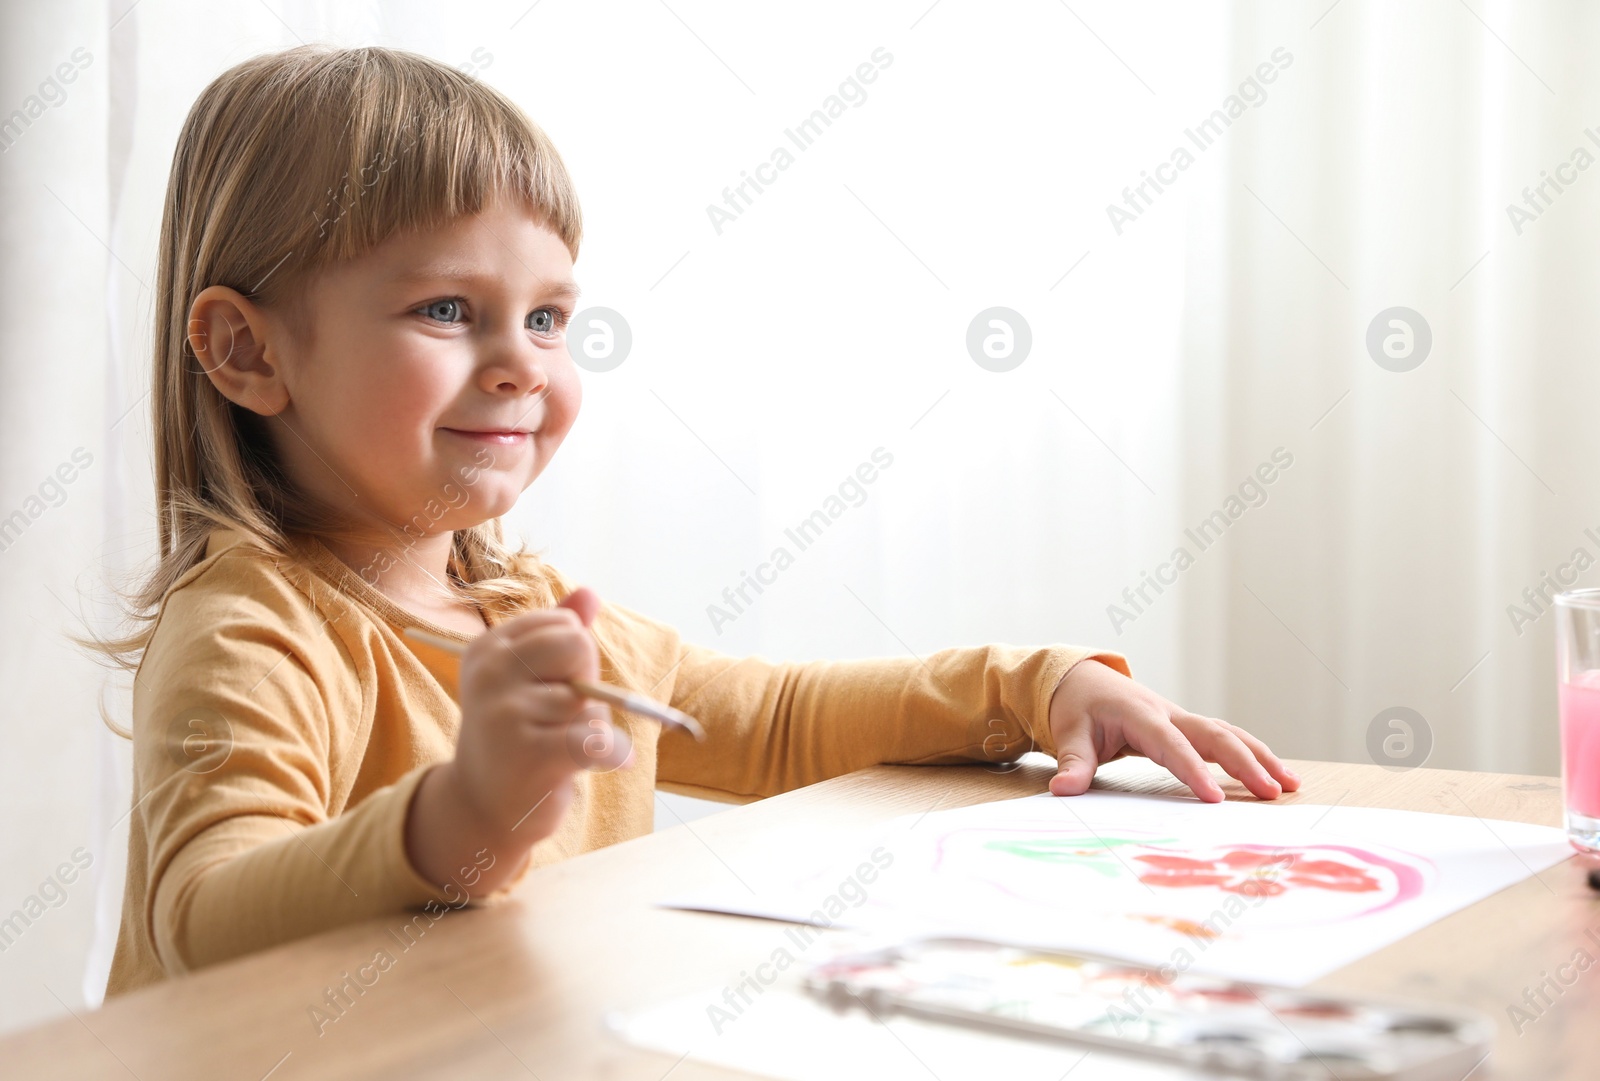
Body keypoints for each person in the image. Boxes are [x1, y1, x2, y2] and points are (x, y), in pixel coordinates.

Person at [97, 45, 1299, 996]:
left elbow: (768, 718)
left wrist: (1039, 688)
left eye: (551, 317)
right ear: (246, 350)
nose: (522, 362)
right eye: (451, 307)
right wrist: (463, 815)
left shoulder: (528, 614)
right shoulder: (250, 624)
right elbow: (206, 918)